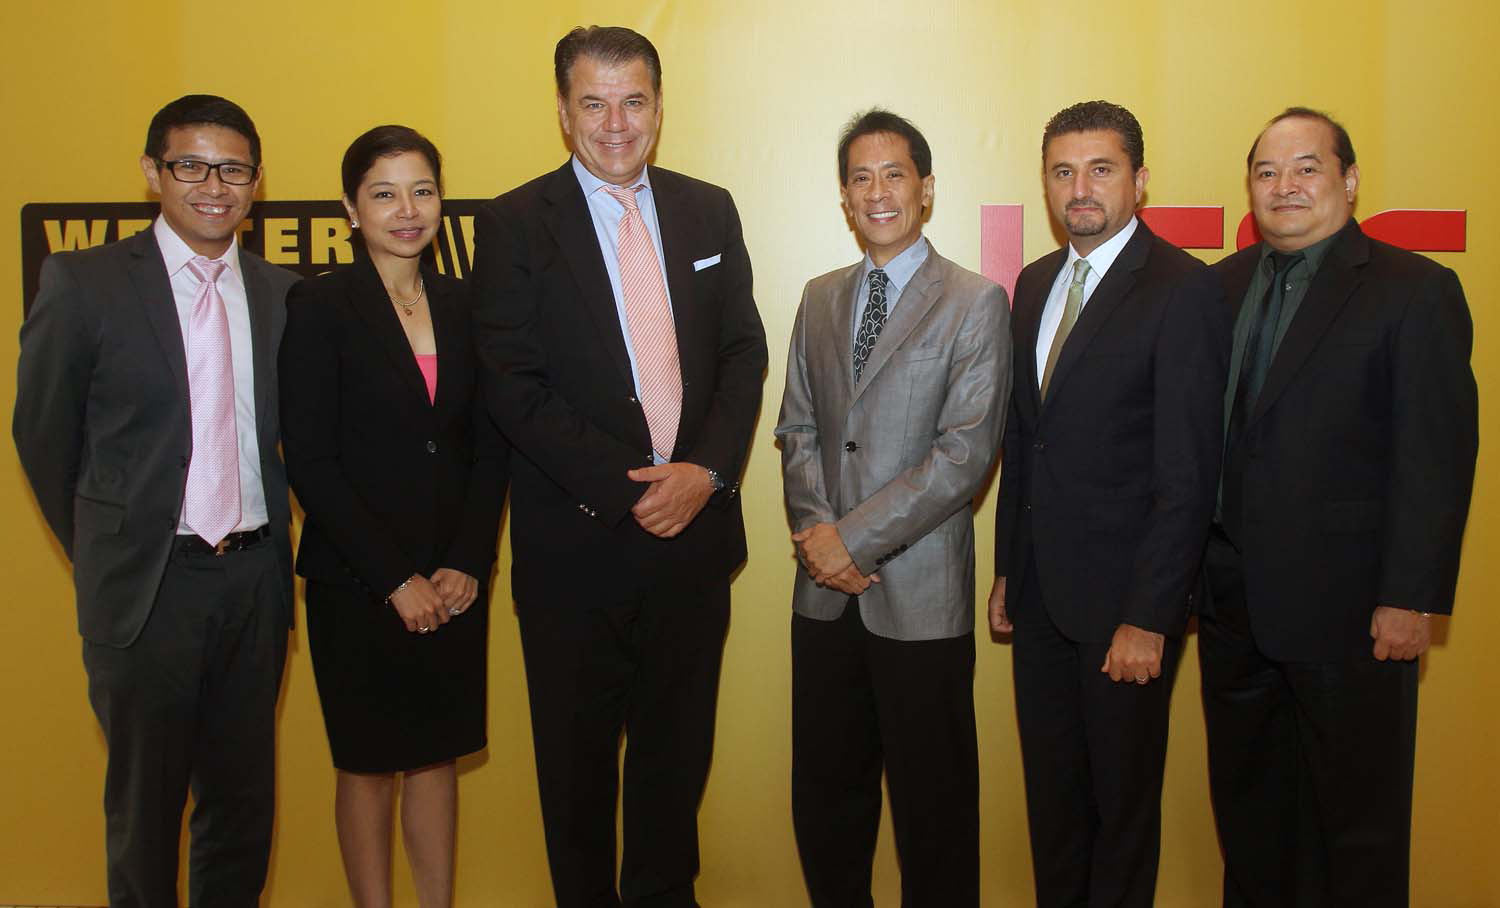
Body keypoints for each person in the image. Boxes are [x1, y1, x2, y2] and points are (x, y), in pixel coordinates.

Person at [467, 25, 767, 908]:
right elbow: (512, 385)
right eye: (593, 103)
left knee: (676, 768)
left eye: (633, 101)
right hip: (577, 550)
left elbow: (743, 353)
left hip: (693, 542)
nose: (615, 123)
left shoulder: (709, 209)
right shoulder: (514, 223)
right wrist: (632, 488)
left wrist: (704, 472)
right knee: (576, 777)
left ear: (659, 107)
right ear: (564, 113)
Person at [13, 94, 297, 907]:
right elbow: (44, 436)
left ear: (256, 181)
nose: (214, 186)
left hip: (253, 582)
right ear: (152, 172)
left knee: (241, 810)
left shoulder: (283, 294)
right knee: (145, 814)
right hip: (146, 588)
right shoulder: (85, 282)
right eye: (191, 166)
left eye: (233, 170)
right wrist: (112, 546)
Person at [1202, 107, 1478, 908]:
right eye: (1266, 172)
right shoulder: (1216, 289)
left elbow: (1435, 457)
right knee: (1250, 819)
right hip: (1231, 608)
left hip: (1353, 616)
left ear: (1349, 181)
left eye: (1306, 168)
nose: (1284, 186)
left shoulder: (1413, 289)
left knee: (1358, 830)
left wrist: (1410, 597)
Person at [989, 101, 1226, 907]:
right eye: (1063, 172)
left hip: (1126, 609)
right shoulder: (1034, 283)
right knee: (1054, 810)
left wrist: (1149, 616)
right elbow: (1025, 440)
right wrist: (1008, 571)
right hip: (1041, 601)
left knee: (1120, 815)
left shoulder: (1184, 289)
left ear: (1140, 180)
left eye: (1101, 170)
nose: (1080, 189)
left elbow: (1188, 473)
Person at [776, 108, 1010, 907]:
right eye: (861, 178)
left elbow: (964, 455)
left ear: (926, 188)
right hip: (822, 595)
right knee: (826, 802)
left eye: (894, 175)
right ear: (845, 197)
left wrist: (852, 542)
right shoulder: (819, 298)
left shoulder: (975, 301)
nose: (877, 193)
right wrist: (818, 537)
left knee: (933, 811)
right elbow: (797, 428)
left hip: (920, 598)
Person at [276, 125, 507, 908]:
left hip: (453, 580)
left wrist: (469, 560)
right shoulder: (319, 304)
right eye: (384, 193)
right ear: (351, 208)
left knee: (438, 757)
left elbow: (489, 446)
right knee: (369, 765)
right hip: (359, 582)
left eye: (422, 191)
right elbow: (311, 460)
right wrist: (394, 579)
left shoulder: (465, 303)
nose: (407, 210)